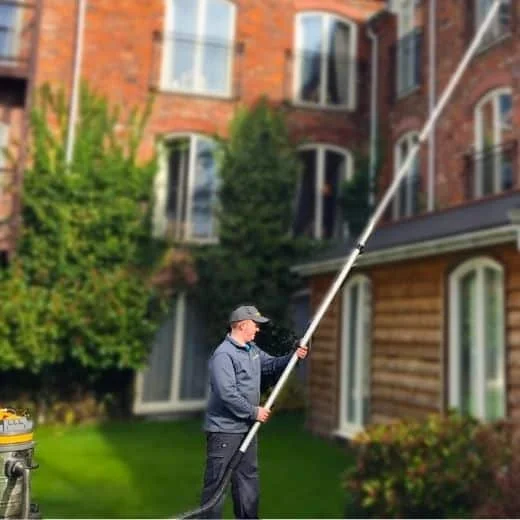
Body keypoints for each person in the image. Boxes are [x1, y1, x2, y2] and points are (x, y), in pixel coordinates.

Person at [199, 304, 308, 519]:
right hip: (225, 432)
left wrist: (294, 356)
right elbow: (226, 393)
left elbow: (272, 366)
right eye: (255, 325)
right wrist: (253, 412)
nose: (258, 329)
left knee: (247, 483)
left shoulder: (252, 350)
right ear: (241, 325)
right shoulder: (224, 355)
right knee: (217, 485)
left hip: (247, 430)